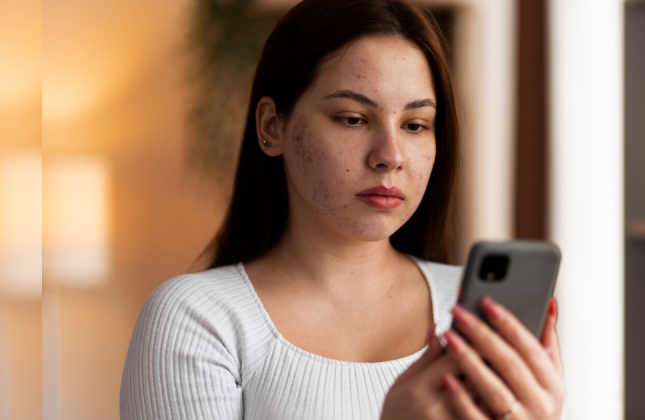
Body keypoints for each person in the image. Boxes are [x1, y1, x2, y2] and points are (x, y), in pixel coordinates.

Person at [120, 0, 565, 419]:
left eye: (414, 125)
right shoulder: (199, 319)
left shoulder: (480, 321)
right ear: (272, 127)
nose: (391, 155)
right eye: (353, 119)